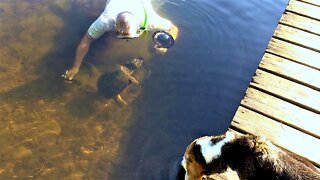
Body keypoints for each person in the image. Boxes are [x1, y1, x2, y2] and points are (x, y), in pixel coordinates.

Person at [65, 0, 179, 80]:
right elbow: (86, 41)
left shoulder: (151, 20)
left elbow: (174, 29)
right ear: (114, 26)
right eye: (124, 37)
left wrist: (166, 45)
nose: (127, 41)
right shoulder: (105, 21)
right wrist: (76, 67)